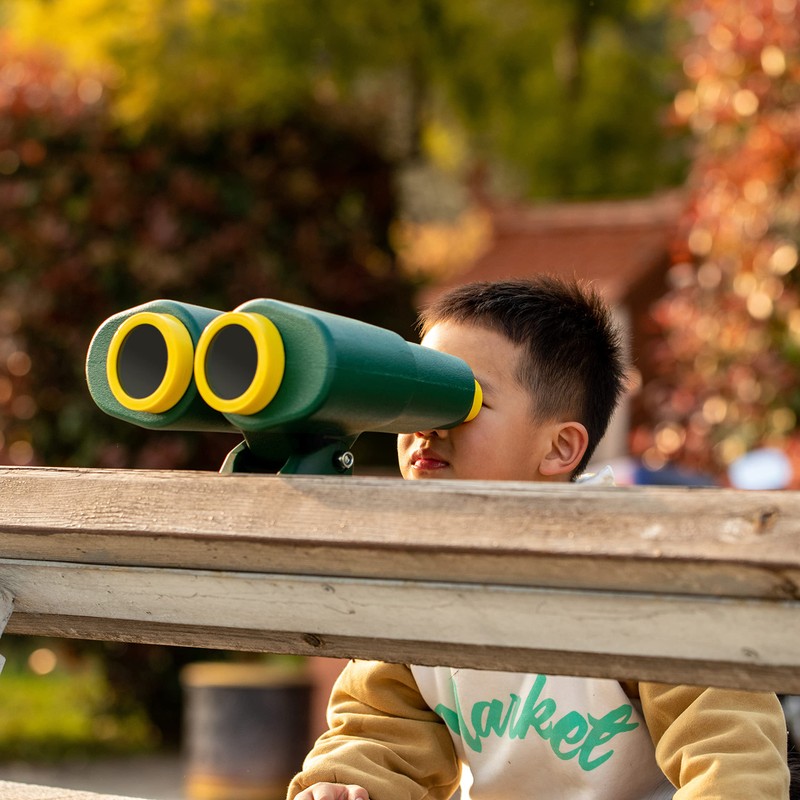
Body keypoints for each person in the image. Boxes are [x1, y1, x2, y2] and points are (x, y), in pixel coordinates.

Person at [287, 277, 790, 800]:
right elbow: (383, 725)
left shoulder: (638, 571)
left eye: (461, 399)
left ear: (558, 449)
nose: (429, 425)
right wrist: (347, 783)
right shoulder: (410, 574)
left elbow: (726, 740)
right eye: (420, 394)